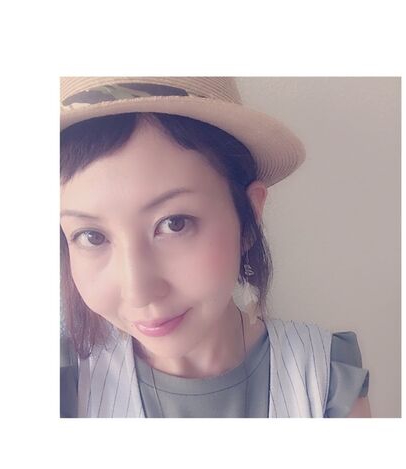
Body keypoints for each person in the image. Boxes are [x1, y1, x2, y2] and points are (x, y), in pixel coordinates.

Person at [60, 77, 371, 418]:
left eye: (174, 223)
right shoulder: (65, 384)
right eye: (91, 236)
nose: (138, 292)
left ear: (247, 217)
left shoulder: (324, 379)